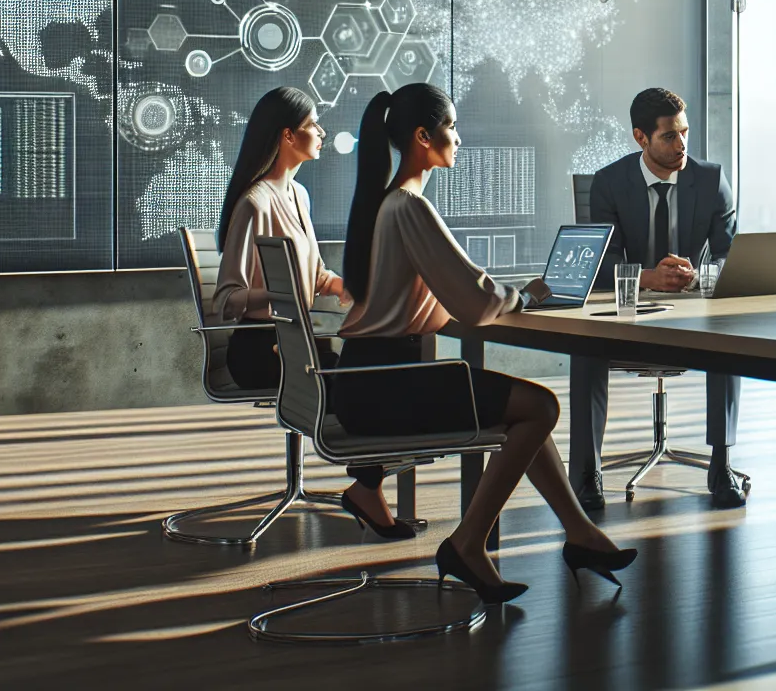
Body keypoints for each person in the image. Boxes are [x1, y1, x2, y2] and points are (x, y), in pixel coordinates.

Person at [336, 82, 635, 602]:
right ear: (423, 136)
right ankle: (467, 543)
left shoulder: (389, 204)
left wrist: (510, 292)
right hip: (386, 386)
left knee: (525, 411)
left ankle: (581, 534)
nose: (459, 136)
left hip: (370, 378)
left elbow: (454, 287)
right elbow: (474, 300)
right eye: (452, 126)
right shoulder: (409, 206)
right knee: (539, 406)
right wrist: (525, 297)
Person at [570, 88, 746, 510]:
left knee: (730, 341)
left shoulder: (710, 178)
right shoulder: (609, 183)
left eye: (685, 133)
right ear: (640, 138)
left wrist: (697, 275)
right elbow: (597, 267)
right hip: (629, 316)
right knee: (584, 348)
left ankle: (721, 465)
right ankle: (586, 473)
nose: (682, 144)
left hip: (693, 318)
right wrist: (650, 276)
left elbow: (730, 257)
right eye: (669, 136)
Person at [214, 87, 351, 390]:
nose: (322, 132)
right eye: (313, 124)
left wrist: (342, 285)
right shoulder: (256, 203)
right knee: (346, 380)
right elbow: (226, 299)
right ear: (288, 136)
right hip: (259, 348)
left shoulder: (299, 195)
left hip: (294, 342)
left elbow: (313, 277)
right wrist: (283, 296)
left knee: (355, 371)